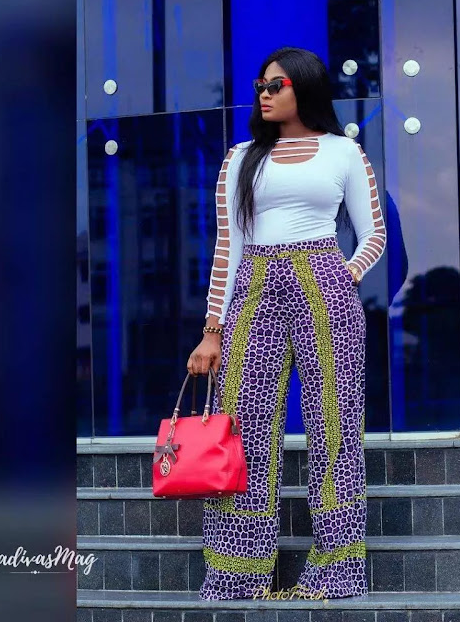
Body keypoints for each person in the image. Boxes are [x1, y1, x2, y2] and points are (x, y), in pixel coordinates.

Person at [187, 46, 386, 600]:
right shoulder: (240, 157)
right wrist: (211, 329)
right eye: (261, 85)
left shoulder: (344, 151)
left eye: (277, 85)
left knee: (334, 426)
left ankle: (337, 567)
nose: (265, 93)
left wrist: (344, 273)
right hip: (254, 289)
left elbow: (374, 233)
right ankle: (237, 570)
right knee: (242, 425)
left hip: (325, 287)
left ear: (305, 87)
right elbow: (227, 246)